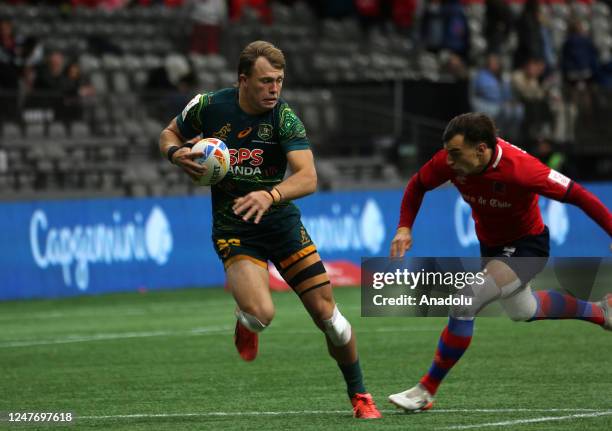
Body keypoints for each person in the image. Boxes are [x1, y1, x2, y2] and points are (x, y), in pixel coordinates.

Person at [158, 40, 381, 419]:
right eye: (265, 81)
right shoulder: (209, 106)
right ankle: (245, 323)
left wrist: (271, 195)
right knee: (260, 315)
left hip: (280, 224)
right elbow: (169, 134)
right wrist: (176, 154)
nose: (274, 89)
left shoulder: (284, 118)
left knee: (332, 322)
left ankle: (360, 395)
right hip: (235, 226)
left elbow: (308, 177)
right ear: (243, 80)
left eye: (279, 81)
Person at [387, 112, 612, 412]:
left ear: (481, 149)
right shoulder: (449, 161)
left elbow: (578, 195)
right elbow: (417, 185)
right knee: (524, 310)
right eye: (447, 153)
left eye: (456, 154)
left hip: (527, 247)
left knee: (465, 301)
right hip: (492, 249)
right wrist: (404, 226)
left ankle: (425, 390)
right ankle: (601, 312)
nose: (449, 162)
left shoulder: (521, 169)